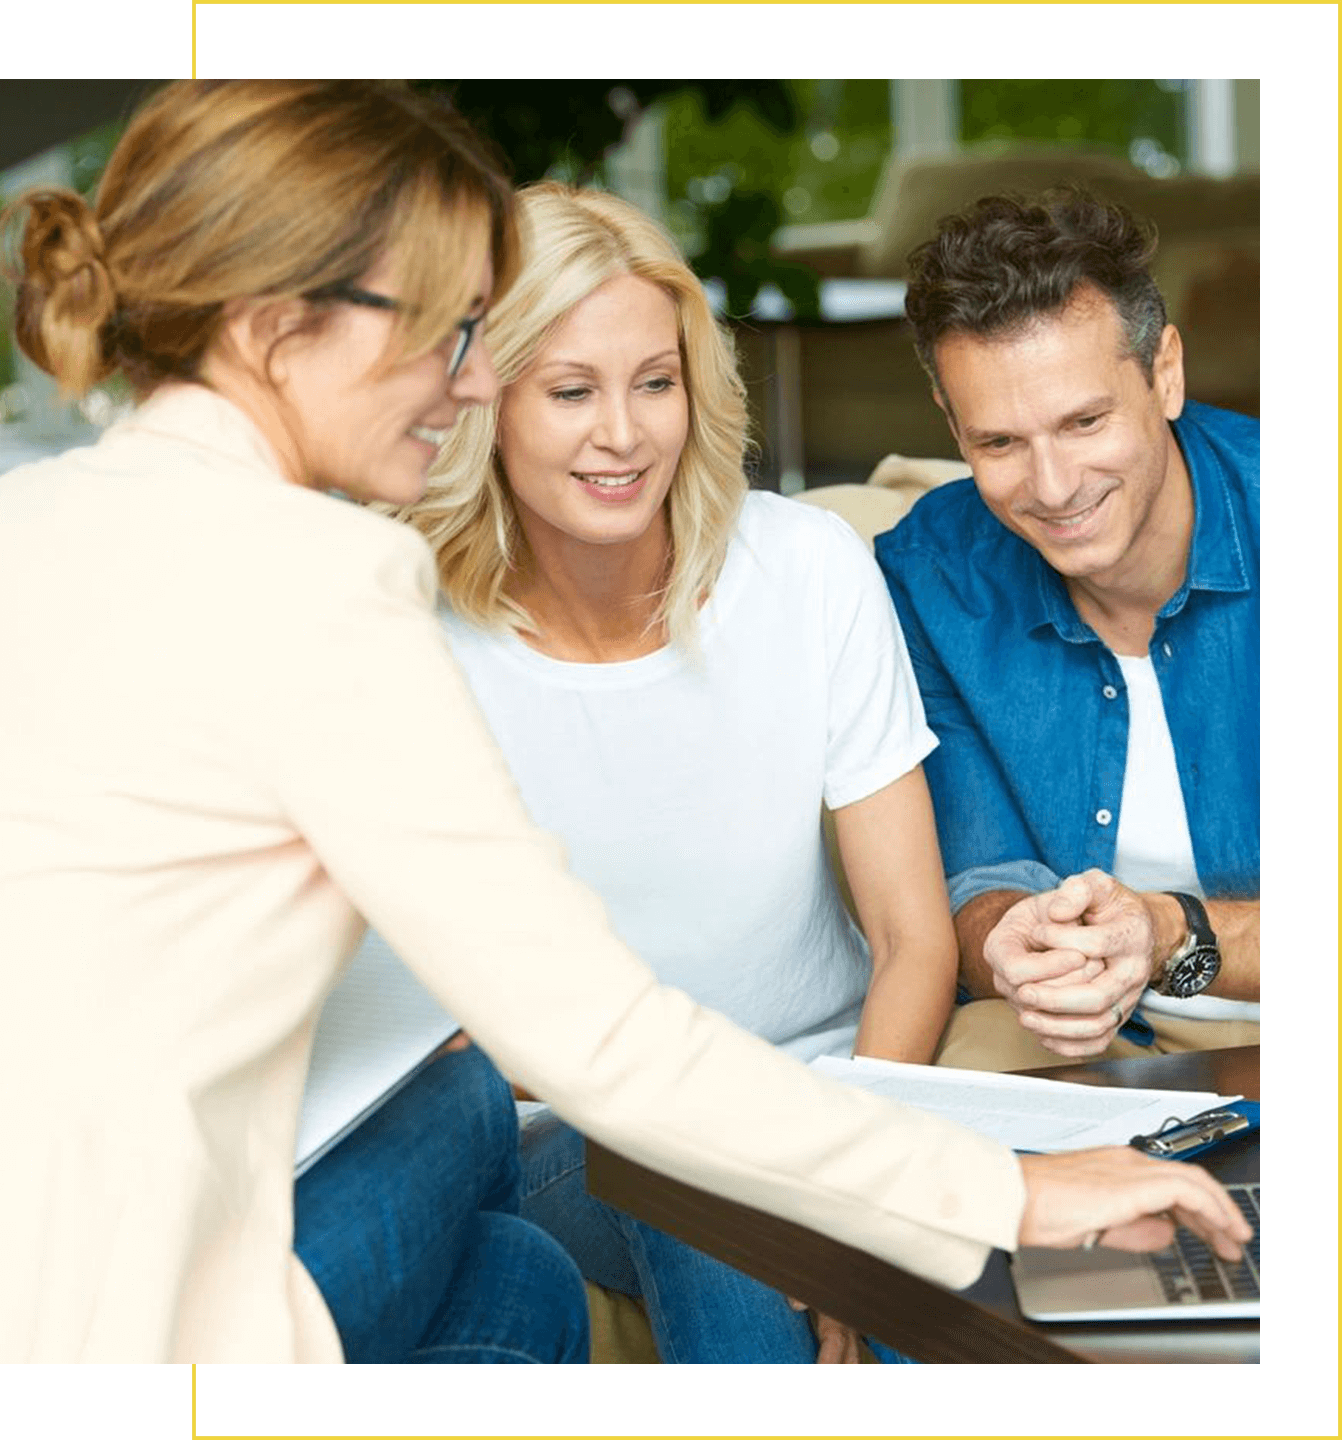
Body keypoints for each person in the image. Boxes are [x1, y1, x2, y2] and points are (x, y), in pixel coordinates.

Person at [0, 82, 1250, 1366]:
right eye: (445, 332)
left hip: (160, 1217)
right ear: (278, 331)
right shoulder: (322, 580)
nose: (471, 380)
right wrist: (1012, 1195)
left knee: (515, 1291)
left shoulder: (29, 525)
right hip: (117, 1300)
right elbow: (595, 1038)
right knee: (570, 1147)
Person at [385, 179, 955, 1363]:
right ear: (484, 400)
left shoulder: (807, 569)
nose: (624, 433)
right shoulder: (411, 640)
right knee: (703, 1190)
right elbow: (443, 1029)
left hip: (836, 1096)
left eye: (656, 381)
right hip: (582, 1139)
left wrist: (846, 1191)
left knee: (897, 1271)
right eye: (571, 391)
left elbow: (912, 939)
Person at [873, 189, 1259, 1072]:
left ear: (1165, 373)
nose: (1052, 487)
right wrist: (1013, 945)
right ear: (948, 420)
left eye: (1085, 422)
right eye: (1000, 443)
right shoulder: (926, 579)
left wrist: (1171, 932)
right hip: (1085, 1039)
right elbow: (975, 876)